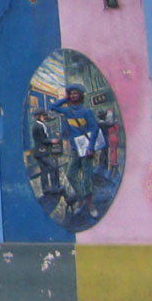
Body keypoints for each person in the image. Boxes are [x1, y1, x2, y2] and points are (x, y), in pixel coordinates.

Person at [50, 82, 101, 218]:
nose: (73, 95)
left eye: (75, 93)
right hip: (74, 149)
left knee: (87, 176)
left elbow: (95, 129)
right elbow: (52, 106)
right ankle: (81, 196)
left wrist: (91, 147)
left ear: (81, 95)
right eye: (71, 93)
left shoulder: (86, 111)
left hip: (86, 149)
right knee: (70, 173)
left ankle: (90, 204)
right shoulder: (67, 110)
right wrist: (65, 99)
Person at [31, 109, 61, 195]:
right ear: (39, 116)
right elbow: (43, 140)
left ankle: (46, 189)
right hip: (42, 152)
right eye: (43, 116)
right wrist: (52, 141)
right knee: (53, 166)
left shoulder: (40, 125)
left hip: (40, 152)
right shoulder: (38, 126)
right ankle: (55, 187)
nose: (45, 117)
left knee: (44, 171)